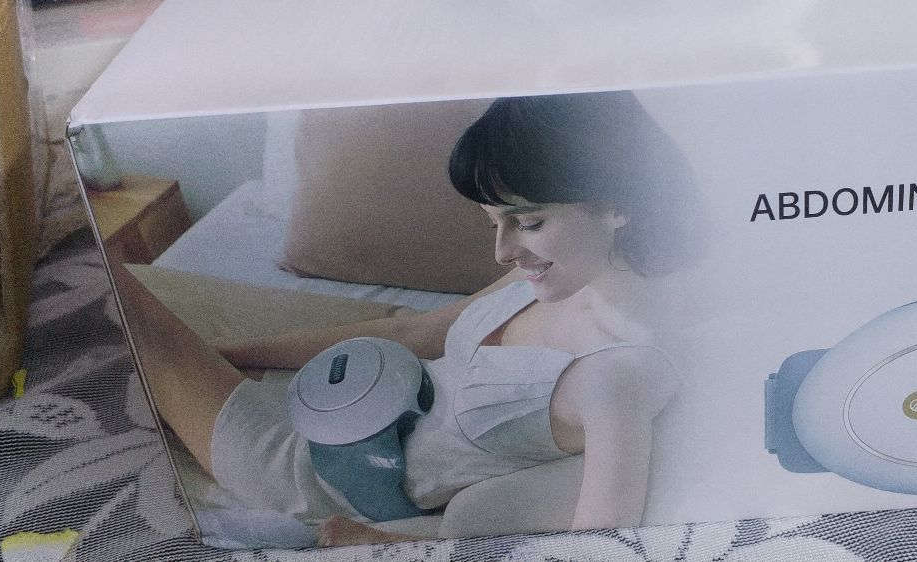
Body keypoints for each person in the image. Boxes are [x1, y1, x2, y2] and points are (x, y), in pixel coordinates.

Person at [111, 91, 702, 546]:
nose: (502, 252)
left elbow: (601, 547)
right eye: (493, 221)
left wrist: (389, 543)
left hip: (317, 472)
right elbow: (414, 332)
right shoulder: (559, 274)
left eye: (528, 222)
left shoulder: (616, 375)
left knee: (115, 297)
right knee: (123, 306)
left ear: (617, 204)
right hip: (350, 380)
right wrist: (233, 354)